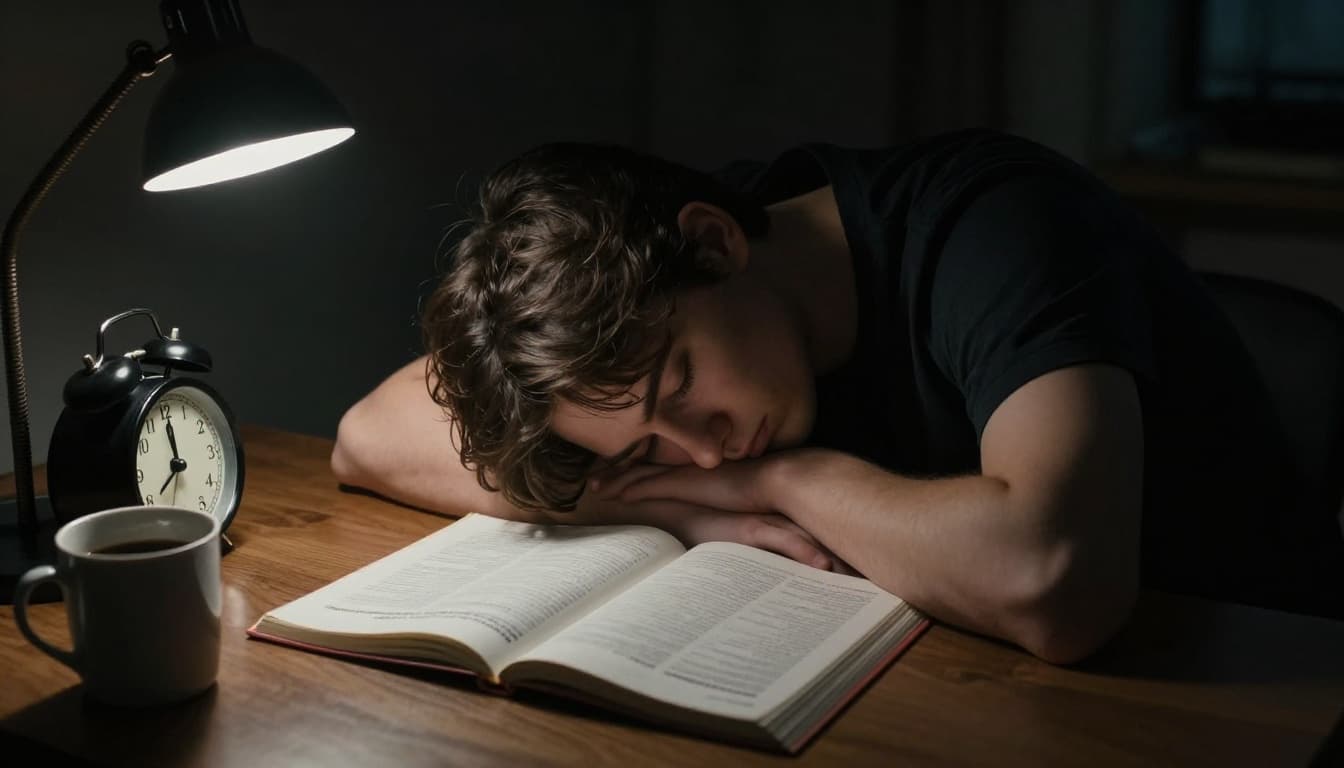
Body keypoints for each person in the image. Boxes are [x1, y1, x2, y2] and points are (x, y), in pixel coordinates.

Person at [331, 130, 1344, 664]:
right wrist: (650, 494)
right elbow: (367, 437)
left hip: (1246, 687)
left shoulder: (998, 226)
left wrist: (790, 478)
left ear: (717, 241)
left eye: (678, 386)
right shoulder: (676, 274)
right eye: (644, 440)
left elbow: (1053, 580)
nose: (707, 451)